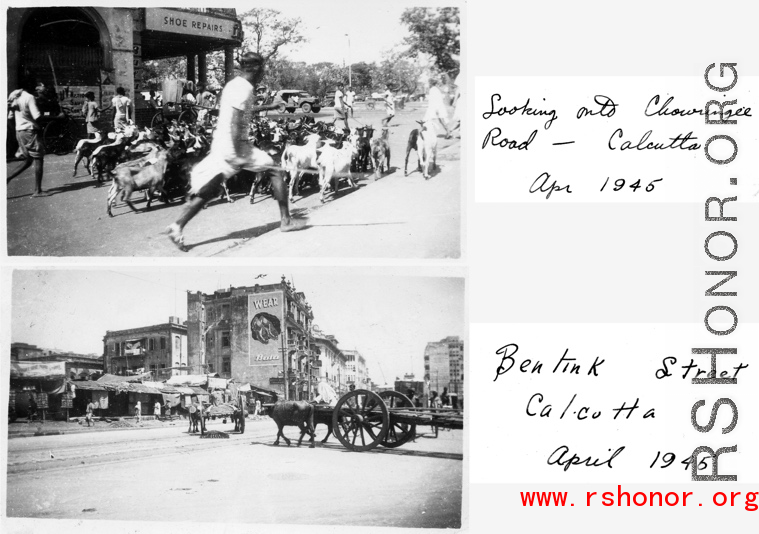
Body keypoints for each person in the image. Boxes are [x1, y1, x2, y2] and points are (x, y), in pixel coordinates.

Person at [165, 51, 299, 251]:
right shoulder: (244, 90)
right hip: (235, 146)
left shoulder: (234, 85)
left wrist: (270, 105)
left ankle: (177, 227)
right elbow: (237, 121)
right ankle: (286, 220)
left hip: (221, 145)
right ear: (255, 69)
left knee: (210, 190)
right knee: (275, 170)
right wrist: (239, 154)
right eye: (262, 69)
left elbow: (241, 112)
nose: (263, 73)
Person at [7, 82, 47, 196]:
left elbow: (10, 117)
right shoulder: (29, 97)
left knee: (28, 160)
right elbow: (37, 116)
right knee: (39, 158)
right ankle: (37, 191)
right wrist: (57, 117)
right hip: (29, 131)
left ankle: (7, 179)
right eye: (38, 88)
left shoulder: (15, 96)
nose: (39, 90)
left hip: (19, 131)